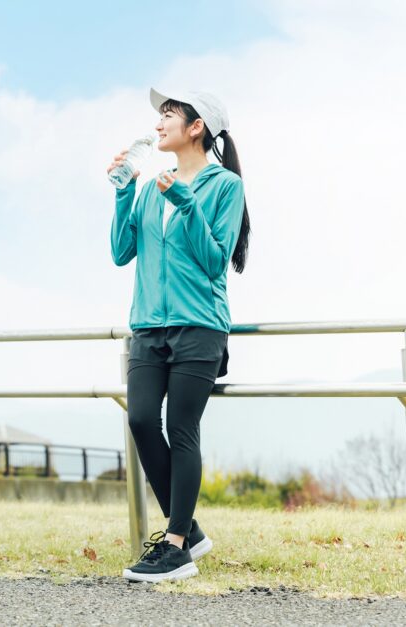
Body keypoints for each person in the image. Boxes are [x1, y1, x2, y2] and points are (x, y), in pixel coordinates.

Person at [108, 87, 250, 583]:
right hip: (148, 326)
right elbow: (122, 252)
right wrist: (125, 190)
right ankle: (188, 528)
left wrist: (187, 205)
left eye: (169, 113)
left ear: (196, 127)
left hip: (200, 327)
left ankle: (175, 548)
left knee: (181, 429)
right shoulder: (152, 187)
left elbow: (215, 262)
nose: (159, 121)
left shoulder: (224, 187)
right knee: (143, 420)